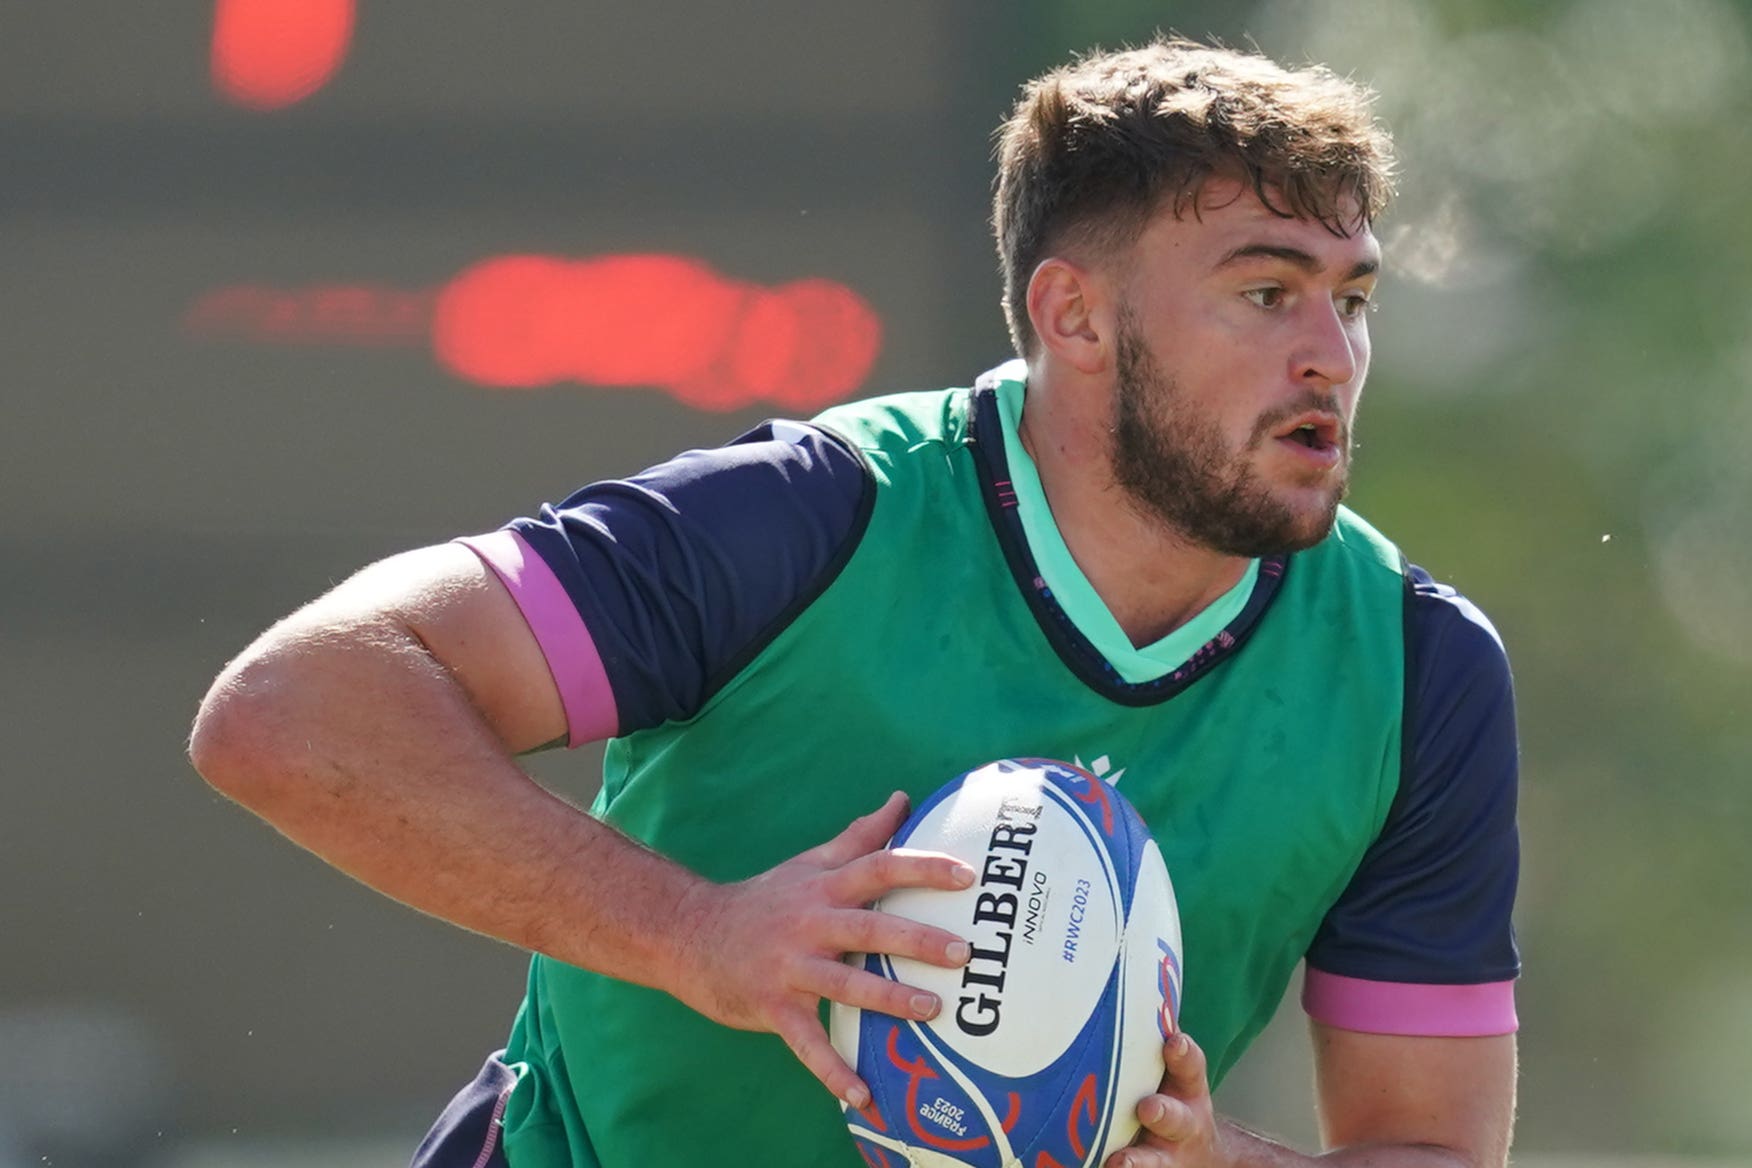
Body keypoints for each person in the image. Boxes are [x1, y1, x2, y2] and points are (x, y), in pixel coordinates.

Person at [190, 37, 1520, 1168]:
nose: (1329, 356)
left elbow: (1433, 1142)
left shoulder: (1416, 671)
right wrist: (700, 934)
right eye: (1267, 291)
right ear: (1075, 318)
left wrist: (1214, 1160)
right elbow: (289, 709)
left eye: (1352, 300)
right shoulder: (814, 515)